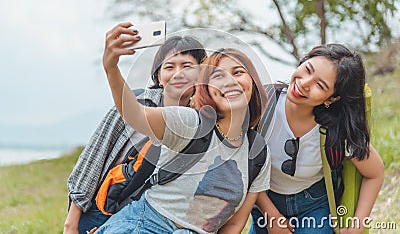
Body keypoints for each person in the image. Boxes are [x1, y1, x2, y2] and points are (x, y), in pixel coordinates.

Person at [95, 48, 271, 234]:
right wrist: (112, 69)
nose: (230, 82)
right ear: (207, 90)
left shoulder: (257, 153)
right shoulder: (191, 122)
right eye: (218, 77)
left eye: (238, 72)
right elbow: (137, 115)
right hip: (144, 224)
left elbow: (234, 225)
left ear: (253, 82)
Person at [63, 22, 207, 234]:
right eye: (169, 66)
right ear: (158, 76)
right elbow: (92, 161)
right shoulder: (135, 102)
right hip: (102, 211)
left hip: (153, 221)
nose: (178, 73)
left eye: (187, 66)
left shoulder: (202, 123)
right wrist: (71, 224)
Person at [249, 44, 384, 234]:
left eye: (320, 85)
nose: (305, 83)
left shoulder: (335, 129)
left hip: (313, 207)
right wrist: (270, 215)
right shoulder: (261, 106)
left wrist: (356, 227)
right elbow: (245, 166)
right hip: (265, 202)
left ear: (332, 99)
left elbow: (375, 173)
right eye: (307, 70)